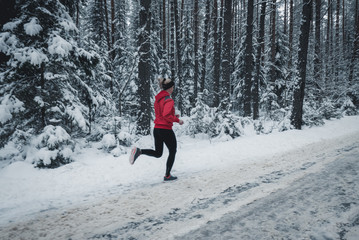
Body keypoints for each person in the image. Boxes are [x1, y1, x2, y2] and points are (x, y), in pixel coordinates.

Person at [129, 78, 184, 181]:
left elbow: (162, 114)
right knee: (173, 151)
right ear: (170, 88)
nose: (173, 89)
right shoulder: (169, 100)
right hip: (165, 130)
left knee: (158, 153)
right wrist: (178, 120)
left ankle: (139, 151)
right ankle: (167, 175)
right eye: (172, 87)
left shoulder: (159, 99)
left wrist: (173, 115)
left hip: (157, 129)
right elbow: (166, 115)